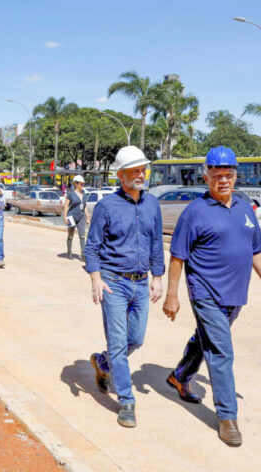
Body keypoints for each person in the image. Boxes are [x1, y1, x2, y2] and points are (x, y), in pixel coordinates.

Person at [162, 146, 261, 447]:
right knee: (221, 352)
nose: (223, 180)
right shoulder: (194, 212)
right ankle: (228, 417)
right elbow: (178, 257)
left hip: (235, 296)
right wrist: (172, 296)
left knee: (206, 339)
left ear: (235, 176)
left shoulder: (245, 209)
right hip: (205, 292)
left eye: (228, 175)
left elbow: (257, 251)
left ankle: (180, 375)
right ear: (206, 176)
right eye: (216, 175)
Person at [84, 145, 165, 428]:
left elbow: (156, 243)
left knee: (137, 339)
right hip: (114, 283)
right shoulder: (106, 207)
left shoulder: (152, 203)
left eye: (143, 169)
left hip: (141, 283)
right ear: (120, 175)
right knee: (118, 343)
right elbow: (92, 246)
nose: (141, 174)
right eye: (135, 171)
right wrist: (96, 278)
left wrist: (157, 276)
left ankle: (102, 363)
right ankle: (127, 401)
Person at [62, 174, 90, 261]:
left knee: (82, 236)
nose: (82, 185)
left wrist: (87, 217)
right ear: (76, 184)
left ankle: (83, 254)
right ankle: (69, 252)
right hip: (71, 217)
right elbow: (66, 206)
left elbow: (85, 207)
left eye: (83, 184)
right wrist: (65, 217)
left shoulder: (84, 194)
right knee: (70, 235)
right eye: (81, 184)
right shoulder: (71, 194)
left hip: (81, 217)